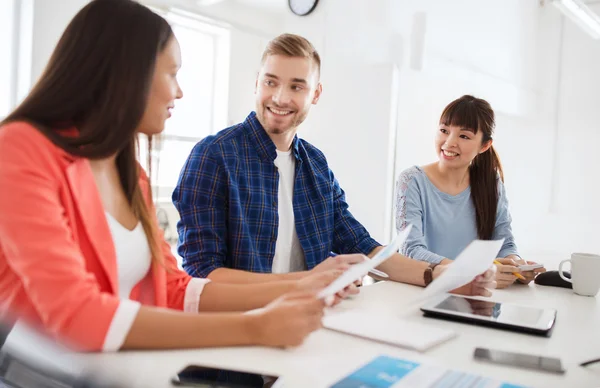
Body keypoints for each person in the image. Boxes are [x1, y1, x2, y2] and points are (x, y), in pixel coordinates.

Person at [0, 0, 343, 357]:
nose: (179, 92)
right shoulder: (20, 147)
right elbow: (76, 313)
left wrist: (301, 283)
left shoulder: (132, 174)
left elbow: (174, 288)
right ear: (129, 73)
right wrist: (254, 327)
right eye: (172, 73)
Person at [173, 34, 495, 296]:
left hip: (308, 330)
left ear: (316, 94)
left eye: (297, 86)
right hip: (234, 349)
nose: (281, 97)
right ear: (257, 83)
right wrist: (308, 284)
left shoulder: (315, 164)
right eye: (271, 82)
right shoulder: (213, 157)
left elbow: (364, 248)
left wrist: (440, 273)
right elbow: (202, 274)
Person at [395, 95, 545, 289]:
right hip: (421, 289)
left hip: (473, 293)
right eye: (444, 131)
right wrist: (473, 271)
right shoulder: (411, 180)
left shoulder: (491, 182)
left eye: (464, 136)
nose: (449, 143)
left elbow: (504, 242)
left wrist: (515, 265)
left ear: (484, 146)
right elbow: (411, 250)